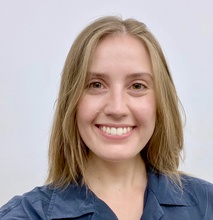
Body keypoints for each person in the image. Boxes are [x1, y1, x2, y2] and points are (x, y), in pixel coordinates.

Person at [0, 16, 213, 220]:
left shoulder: (207, 206)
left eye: (137, 86)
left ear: (160, 102)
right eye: (96, 85)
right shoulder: (25, 215)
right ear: (71, 100)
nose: (117, 108)